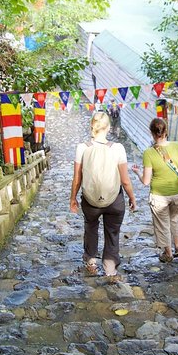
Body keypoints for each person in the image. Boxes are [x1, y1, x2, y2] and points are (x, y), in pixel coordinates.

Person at [70, 111, 137, 282]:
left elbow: (77, 178)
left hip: (90, 200)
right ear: (108, 127)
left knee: (91, 227)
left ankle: (91, 262)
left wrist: (73, 198)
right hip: (114, 200)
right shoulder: (118, 148)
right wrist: (132, 198)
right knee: (112, 232)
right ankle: (110, 268)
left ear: (92, 126)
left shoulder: (82, 148)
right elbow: (125, 180)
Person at [132, 118, 178, 263]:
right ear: (166, 131)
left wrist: (137, 173)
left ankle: (168, 253)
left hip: (159, 196)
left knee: (162, 224)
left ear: (152, 133)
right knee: (175, 220)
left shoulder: (148, 153)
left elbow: (146, 181)